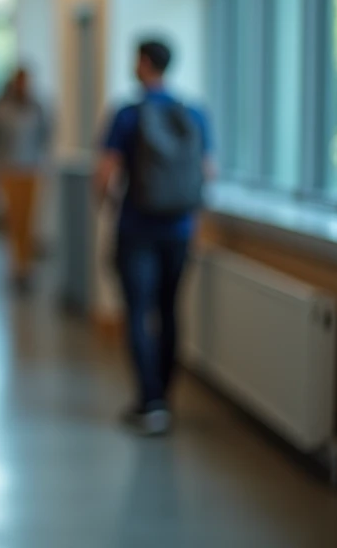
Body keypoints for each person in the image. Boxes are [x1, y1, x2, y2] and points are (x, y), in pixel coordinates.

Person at [94, 38, 212, 437]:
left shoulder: (128, 114)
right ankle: (167, 396)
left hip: (137, 228)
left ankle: (150, 402)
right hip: (179, 229)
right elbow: (207, 171)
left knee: (138, 312)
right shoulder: (194, 113)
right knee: (170, 310)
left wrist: (106, 207)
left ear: (143, 64)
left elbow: (107, 171)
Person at [0, 67, 50, 289]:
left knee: (29, 219)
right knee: (13, 219)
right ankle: (16, 264)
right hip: (8, 169)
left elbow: (45, 135)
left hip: (31, 169)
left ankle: (26, 265)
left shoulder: (37, 108)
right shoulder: (2, 108)